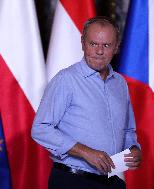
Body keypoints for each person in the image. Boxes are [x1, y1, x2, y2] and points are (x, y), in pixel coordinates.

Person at [31, 16, 142, 189]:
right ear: (83, 43)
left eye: (106, 45)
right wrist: (85, 152)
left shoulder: (120, 83)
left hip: (110, 180)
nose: (99, 51)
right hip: (73, 181)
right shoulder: (66, 79)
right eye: (93, 44)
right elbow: (40, 128)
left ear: (116, 47)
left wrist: (134, 149)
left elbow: (128, 129)